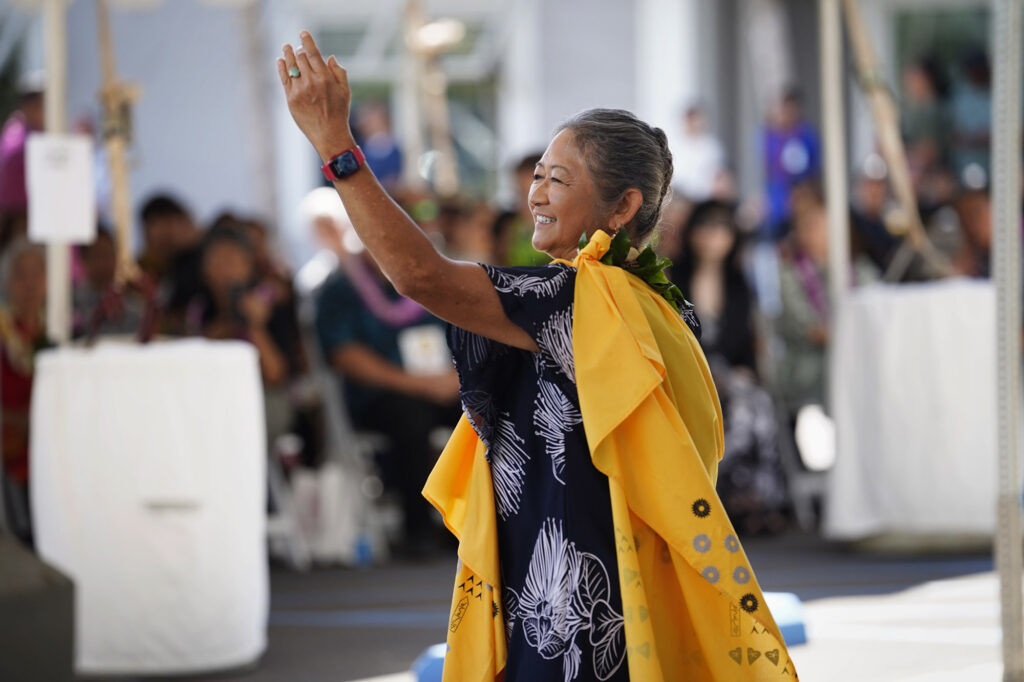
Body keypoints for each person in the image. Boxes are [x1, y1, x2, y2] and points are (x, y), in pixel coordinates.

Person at [278, 31, 796, 681]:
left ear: (622, 206)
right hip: (614, 588)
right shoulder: (657, 306)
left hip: (575, 601)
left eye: (558, 179)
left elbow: (422, 277)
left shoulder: (575, 299)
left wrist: (336, 147)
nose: (536, 194)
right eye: (537, 178)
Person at [671, 201, 786, 534]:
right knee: (740, 404)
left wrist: (742, 371)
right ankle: (727, 495)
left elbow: (747, 342)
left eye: (721, 229)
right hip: (691, 373)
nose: (712, 237)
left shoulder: (739, 285)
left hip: (731, 375)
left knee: (756, 403)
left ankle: (753, 498)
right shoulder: (672, 277)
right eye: (706, 228)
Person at [0, 239, 49, 546]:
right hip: (11, 456)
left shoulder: (59, 331)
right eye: (21, 274)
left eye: (37, 273)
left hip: (48, 459)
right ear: (7, 282)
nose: (30, 283)